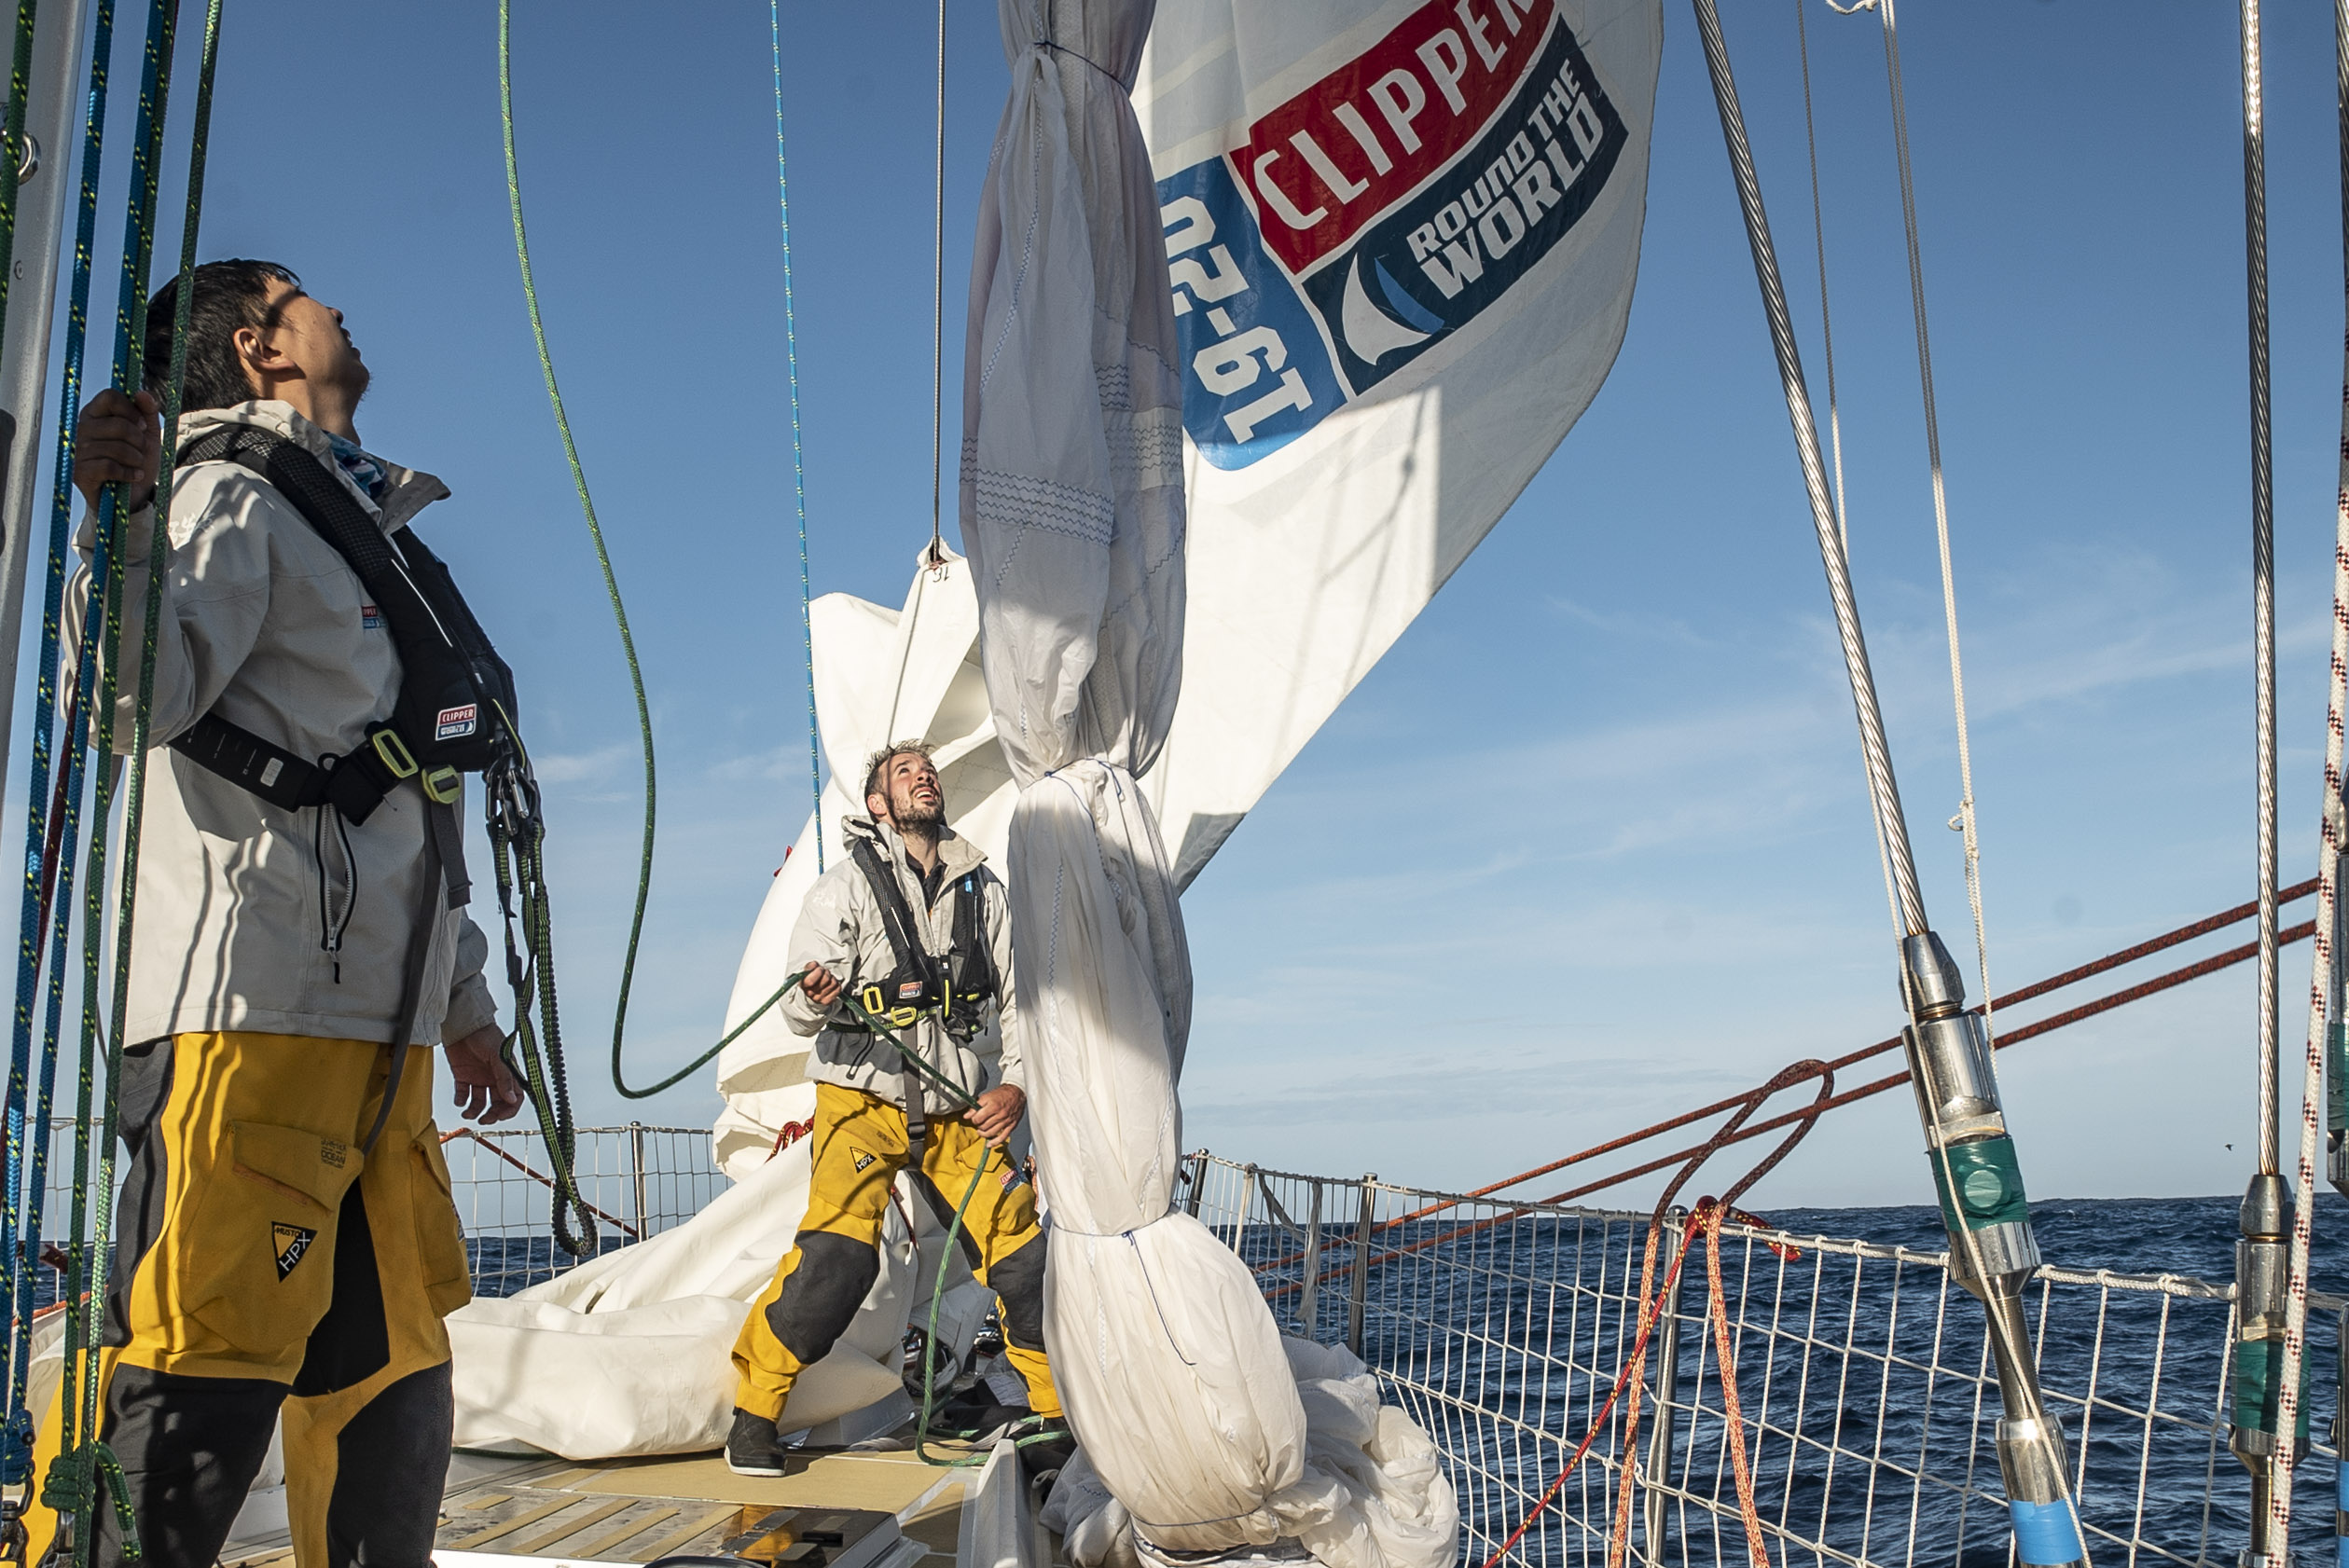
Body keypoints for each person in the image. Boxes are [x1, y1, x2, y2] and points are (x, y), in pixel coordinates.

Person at [30, 260, 523, 1568]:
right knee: (197, 1378)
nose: (343, 309)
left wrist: (465, 1010)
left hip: (382, 1034)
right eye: (310, 298)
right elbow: (137, 700)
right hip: (249, 1021)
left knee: (393, 1380)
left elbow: (409, 807)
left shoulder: (359, 530)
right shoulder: (227, 498)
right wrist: (120, 519)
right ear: (256, 346)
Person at [726, 742, 1060, 1475]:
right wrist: (811, 996)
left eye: (927, 771)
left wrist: (1017, 1087)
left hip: (957, 1108)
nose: (922, 778)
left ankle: (1052, 1417)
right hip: (860, 1096)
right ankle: (753, 1416)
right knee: (836, 1261)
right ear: (877, 804)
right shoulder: (841, 890)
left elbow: (1022, 1001)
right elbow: (797, 1006)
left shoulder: (985, 891)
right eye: (904, 773)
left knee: (1021, 1256)